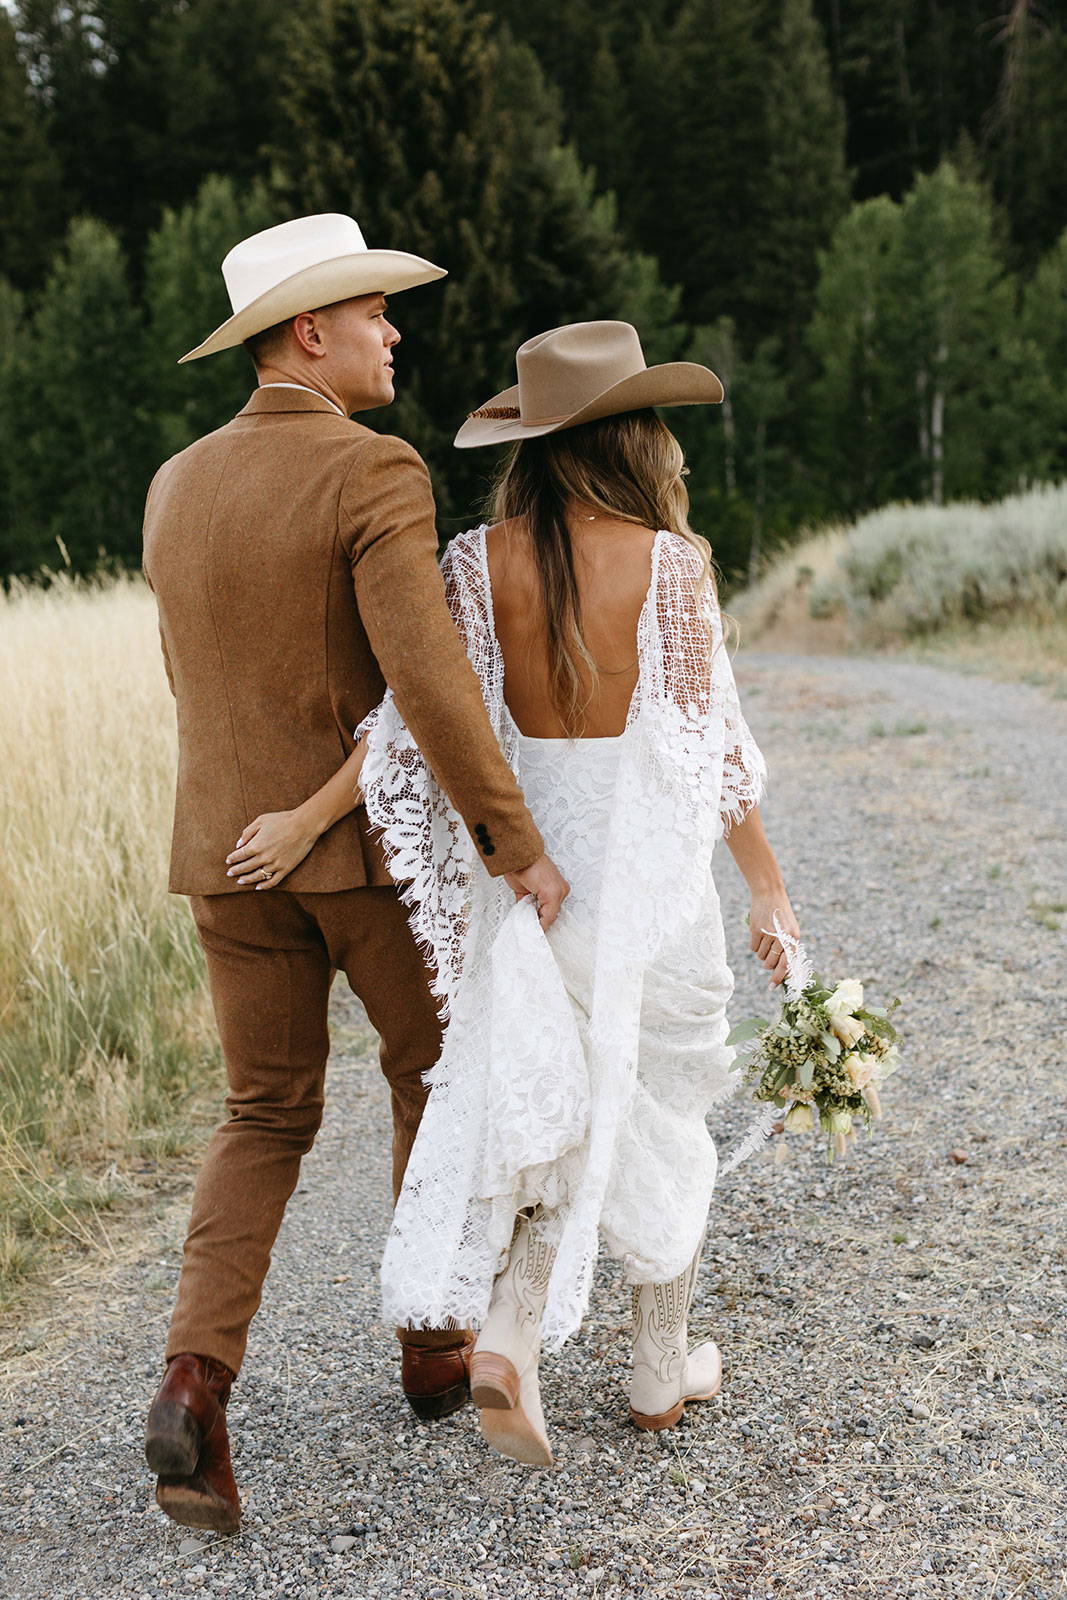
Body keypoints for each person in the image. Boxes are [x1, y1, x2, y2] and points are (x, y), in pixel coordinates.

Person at [245, 319, 800, 1469]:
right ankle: (655, 1367)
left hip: (531, 877)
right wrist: (768, 896)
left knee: (553, 1101)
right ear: (629, 437)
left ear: (538, 442)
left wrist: (306, 816)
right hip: (645, 881)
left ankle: (511, 1328)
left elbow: (414, 725)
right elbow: (713, 754)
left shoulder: (469, 561)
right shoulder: (668, 565)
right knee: (654, 1102)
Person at [141, 213, 568, 1534]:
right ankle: (432, 1345)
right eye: (374, 310)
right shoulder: (371, 473)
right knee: (434, 1079)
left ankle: (190, 1388)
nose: (394, 330)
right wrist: (514, 840)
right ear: (306, 330)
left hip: (221, 857)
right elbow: (431, 688)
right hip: (362, 865)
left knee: (263, 1116)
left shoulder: (174, 483)